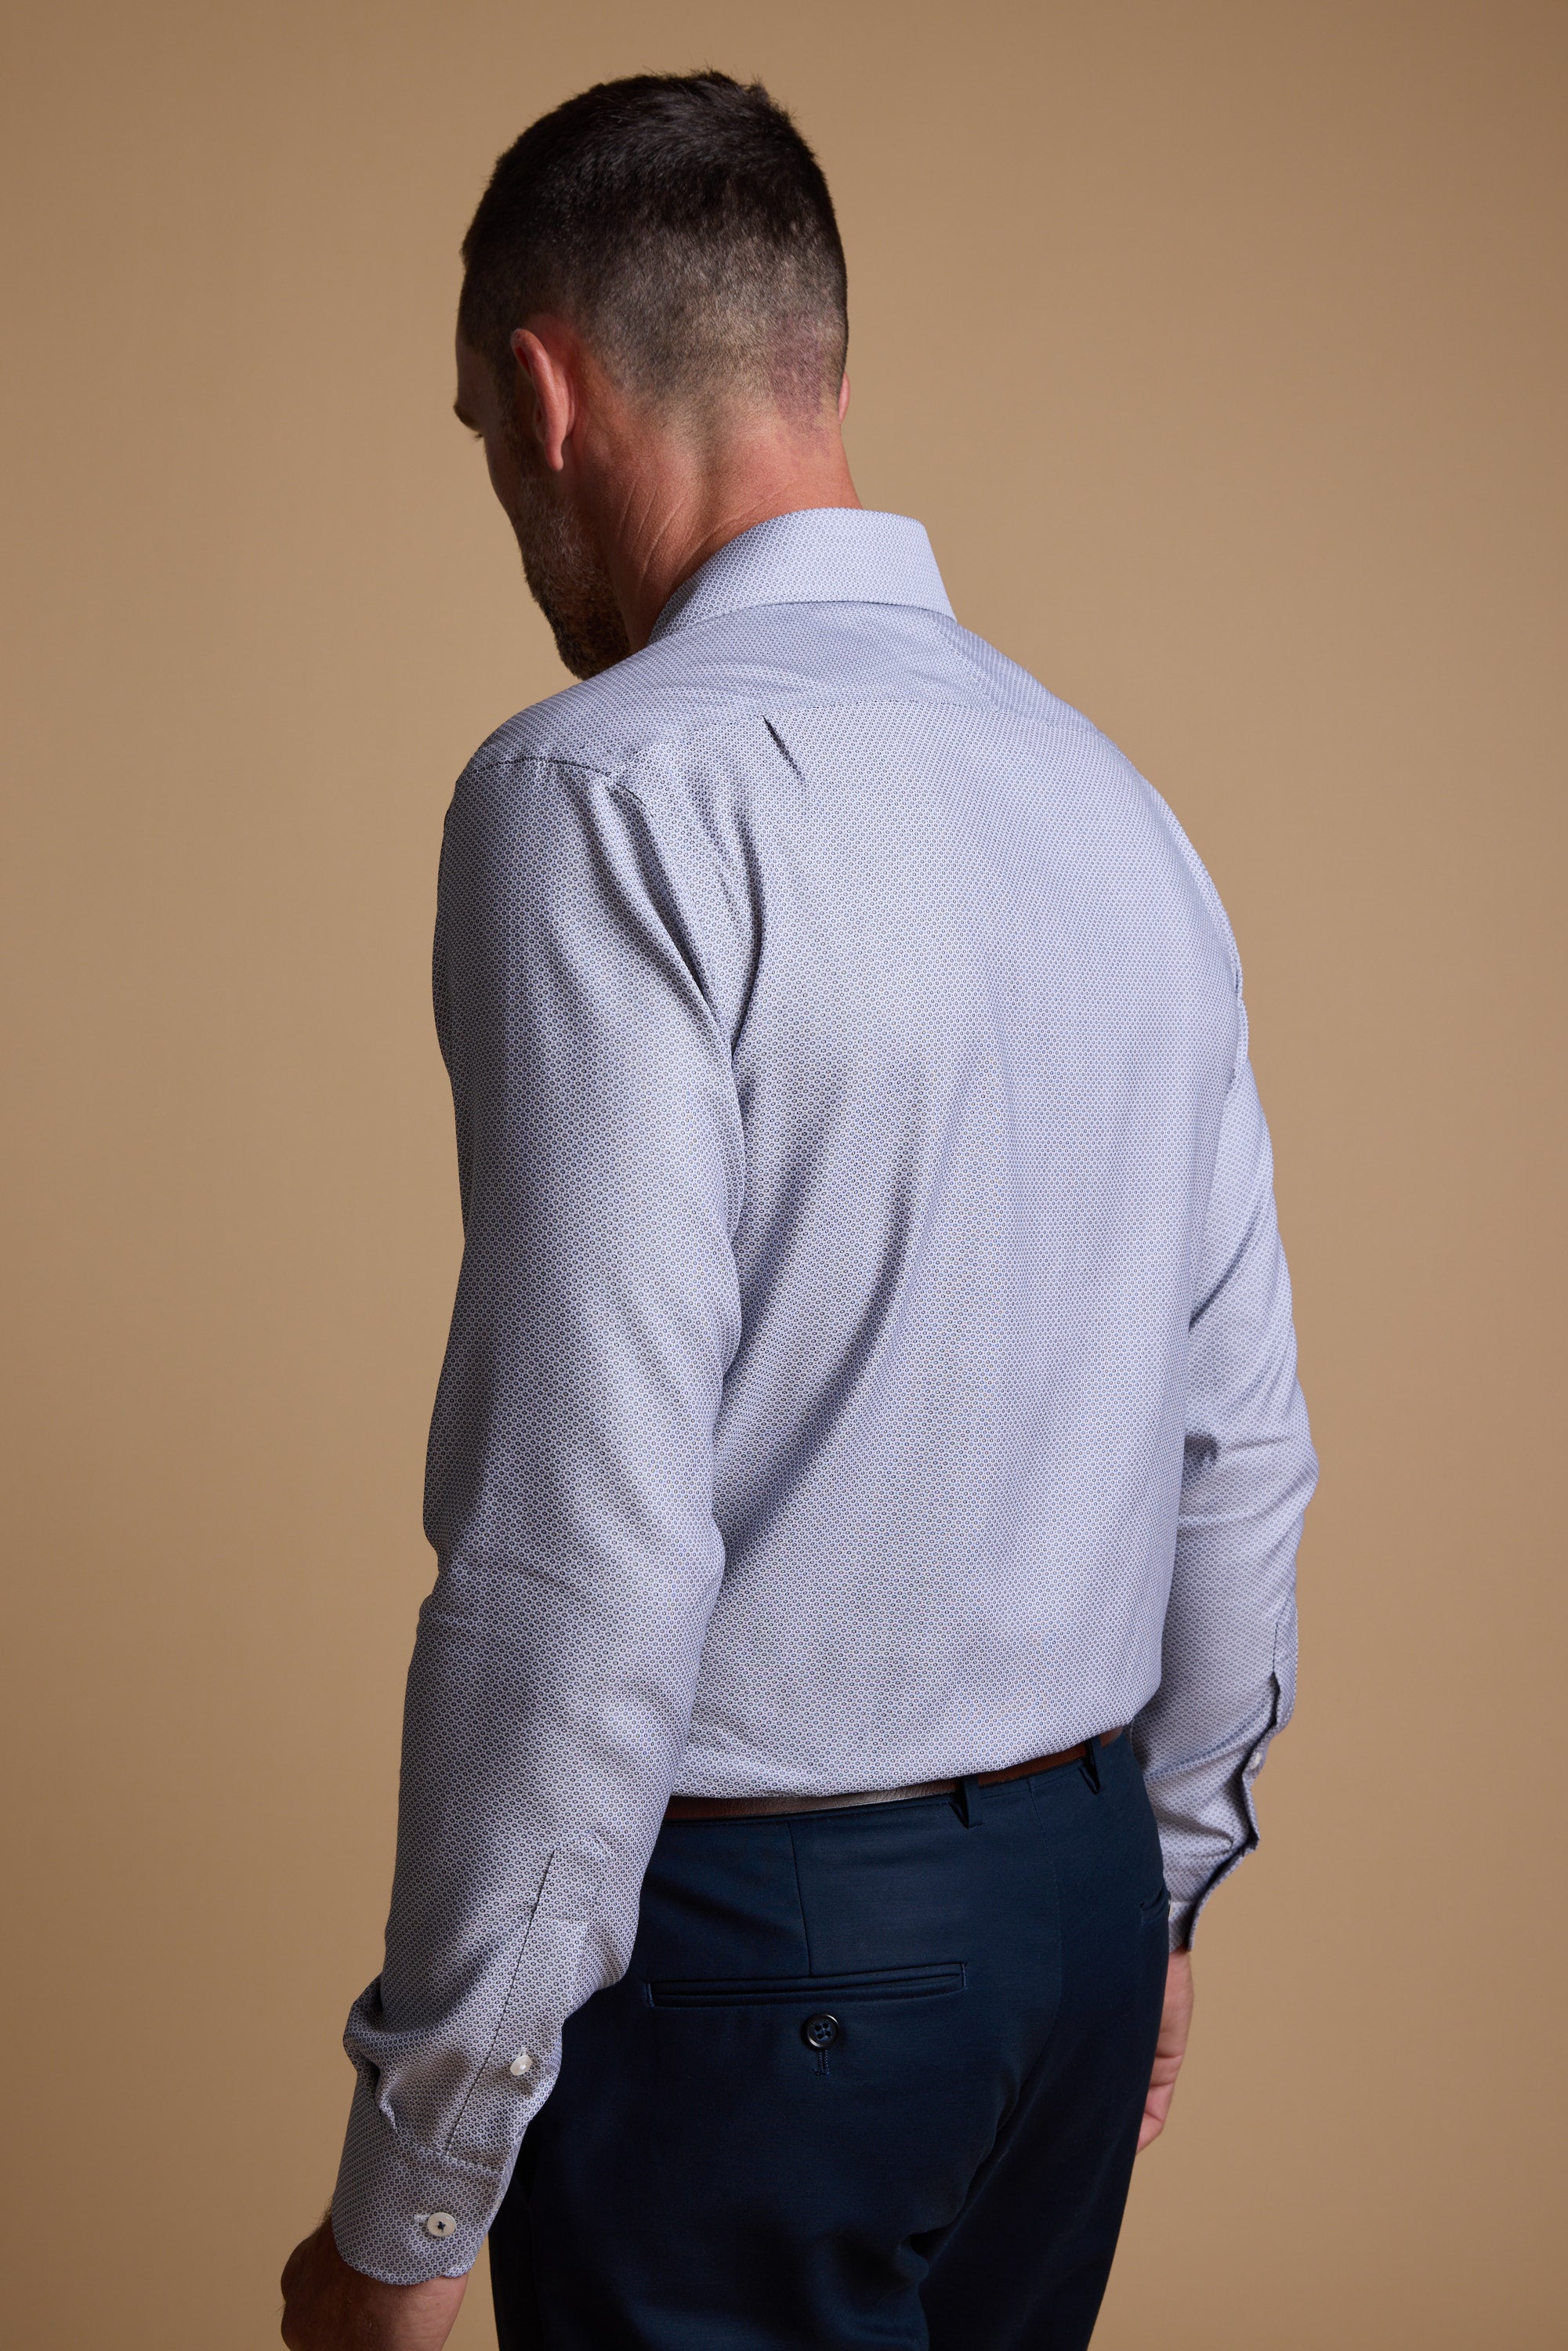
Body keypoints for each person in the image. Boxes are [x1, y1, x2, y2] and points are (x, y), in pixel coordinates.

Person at [281, 69, 1316, 2351]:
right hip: (1058, 1928)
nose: (510, 512)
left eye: (482, 442)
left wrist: (415, 2186)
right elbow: (1240, 1443)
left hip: (762, 1977)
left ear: (543, 395)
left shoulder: (597, 795)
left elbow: (581, 1547)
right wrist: (1137, 1908)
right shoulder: (1112, 807)